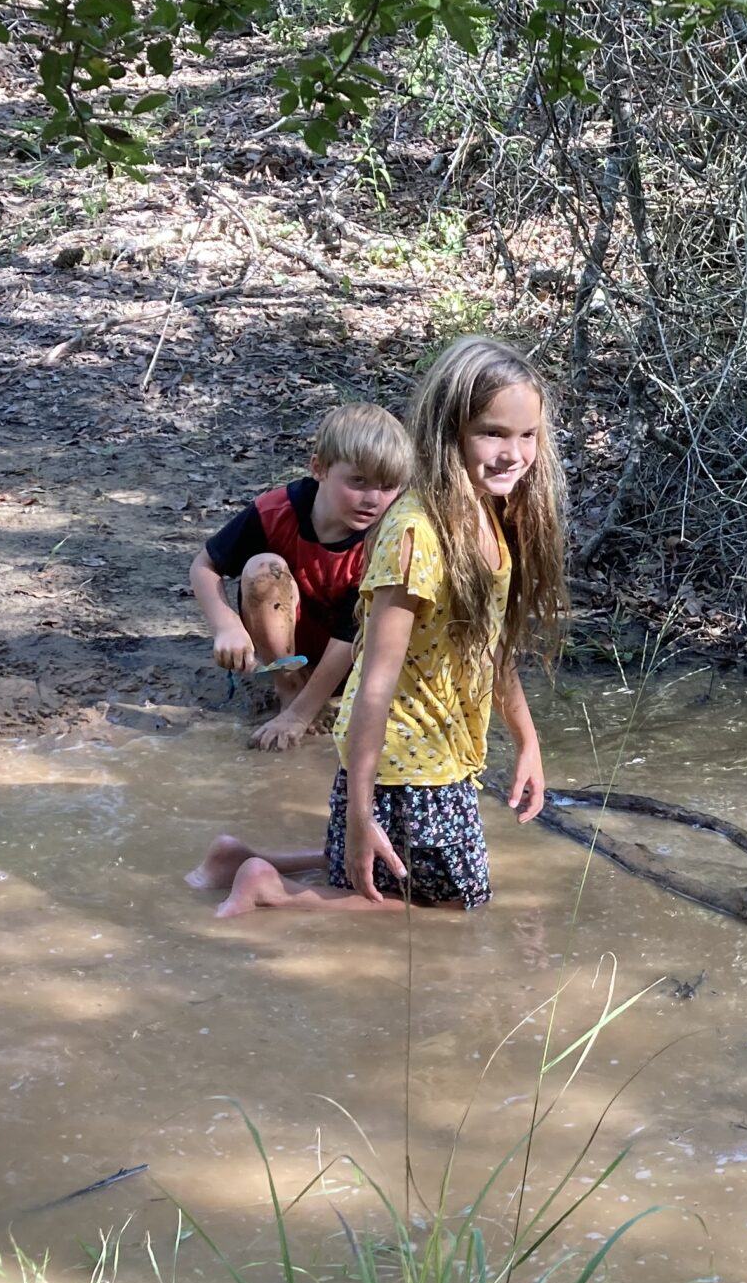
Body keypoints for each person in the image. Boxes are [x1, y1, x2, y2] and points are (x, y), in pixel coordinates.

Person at [189, 337, 567, 917]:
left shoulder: (487, 518)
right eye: (492, 433)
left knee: (369, 871)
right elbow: (375, 678)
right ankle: (272, 893)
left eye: (527, 435)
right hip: (409, 762)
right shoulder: (417, 534)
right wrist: (362, 808)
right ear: (449, 432)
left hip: (428, 752)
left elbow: (491, 648)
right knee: (456, 907)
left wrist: (528, 741)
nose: (512, 453)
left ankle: (239, 859)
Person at [192, 402, 410, 750]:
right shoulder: (275, 511)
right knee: (261, 568)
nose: (372, 499)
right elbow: (204, 566)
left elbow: (348, 635)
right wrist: (226, 625)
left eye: (387, 487)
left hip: (356, 657)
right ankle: (288, 688)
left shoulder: (387, 539)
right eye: (358, 481)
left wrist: (301, 715)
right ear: (319, 468)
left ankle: (308, 702)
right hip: (292, 654)